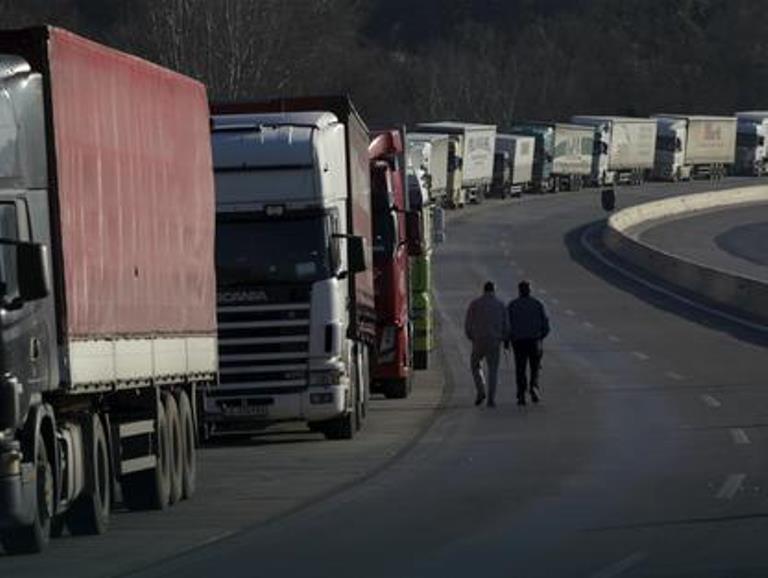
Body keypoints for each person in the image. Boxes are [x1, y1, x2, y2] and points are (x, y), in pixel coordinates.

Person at [464, 281, 509, 408]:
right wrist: (504, 338)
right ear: (494, 290)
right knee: (493, 370)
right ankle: (491, 399)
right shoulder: (500, 305)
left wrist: (471, 337)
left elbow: (468, 324)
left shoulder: (475, 304)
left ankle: (480, 390)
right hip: (494, 341)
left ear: (484, 290)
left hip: (478, 340)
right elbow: (506, 325)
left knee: (475, 365)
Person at [506, 281, 550, 406]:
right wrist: (541, 337)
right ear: (530, 291)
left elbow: (507, 325)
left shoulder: (512, 305)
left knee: (520, 368)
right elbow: (545, 325)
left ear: (519, 291)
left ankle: (521, 394)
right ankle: (534, 387)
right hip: (534, 340)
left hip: (518, 341)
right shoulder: (537, 304)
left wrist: (507, 340)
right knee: (534, 367)